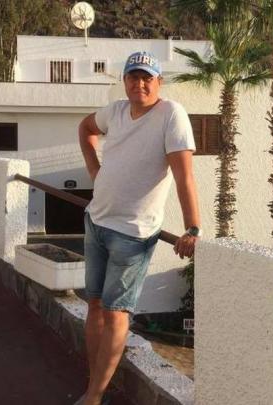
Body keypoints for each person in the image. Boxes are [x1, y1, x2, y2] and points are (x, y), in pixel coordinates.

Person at [76, 51, 202, 405]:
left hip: (132, 233)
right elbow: (85, 129)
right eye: (134, 76)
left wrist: (193, 228)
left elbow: (185, 177)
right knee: (94, 306)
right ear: (125, 81)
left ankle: (94, 397)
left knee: (116, 313)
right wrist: (94, 170)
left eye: (147, 77)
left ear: (159, 82)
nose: (140, 84)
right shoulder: (116, 111)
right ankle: (94, 382)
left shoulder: (171, 115)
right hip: (96, 221)